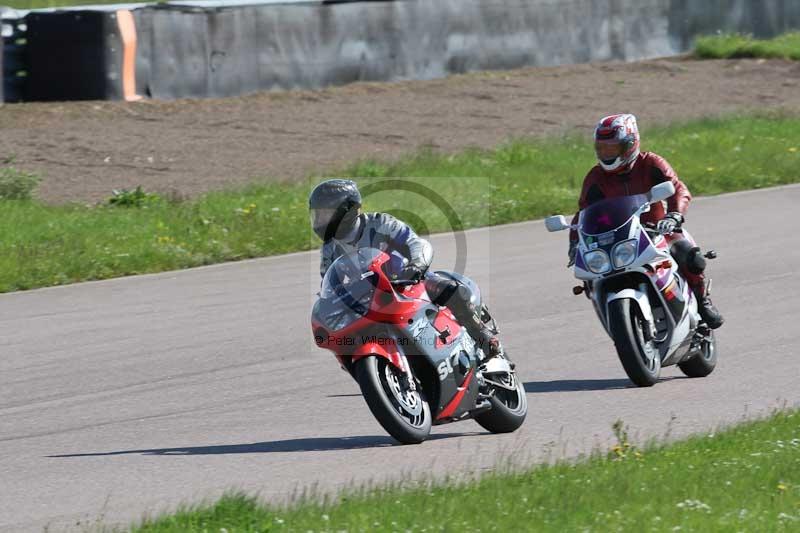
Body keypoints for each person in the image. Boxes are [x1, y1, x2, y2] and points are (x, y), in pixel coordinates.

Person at [309, 178, 503, 357]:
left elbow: (413, 243)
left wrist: (417, 264)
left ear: (347, 210)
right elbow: (330, 282)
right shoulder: (329, 249)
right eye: (317, 215)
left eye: (326, 214)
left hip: (406, 281)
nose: (320, 221)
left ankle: (481, 335)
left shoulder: (381, 223)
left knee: (448, 288)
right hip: (370, 299)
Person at [568, 114, 724, 329]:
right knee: (592, 277)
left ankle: (702, 301)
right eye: (602, 149)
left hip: (659, 229)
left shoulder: (650, 162)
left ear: (630, 144)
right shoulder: (595, 177)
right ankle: (616, 320)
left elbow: (677, 188)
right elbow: (584, 213)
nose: (607, 154)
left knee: (690, 255)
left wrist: (674, 215)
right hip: (617, 237)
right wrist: (575, 243)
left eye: (612, 148)